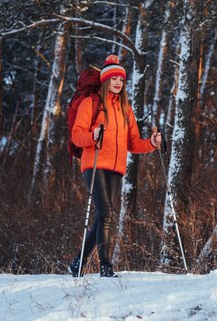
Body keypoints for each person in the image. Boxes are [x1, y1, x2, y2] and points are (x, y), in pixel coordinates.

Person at [68, 54, 161, 277]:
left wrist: (152, 143)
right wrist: (92, 136)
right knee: (107, 212)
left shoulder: (125, 109)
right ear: (105, 81)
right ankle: (105, 266)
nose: (118, 83)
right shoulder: (91, 104)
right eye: (113, 79)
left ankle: (77, 262)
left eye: (121, 79)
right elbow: (76, 136)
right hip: (95, 163)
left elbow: (133, 143)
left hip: (116, 168)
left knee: (102, 215)